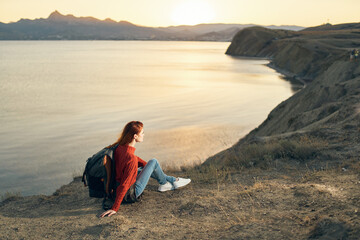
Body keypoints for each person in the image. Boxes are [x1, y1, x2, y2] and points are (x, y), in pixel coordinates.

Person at [99, 121, 191, 218]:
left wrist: (149, 168)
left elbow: (135, 160)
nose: (144, 135)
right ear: (135, 136)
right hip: (131, 193)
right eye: (142, 133)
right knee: (154, 161)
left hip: (116, 186)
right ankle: (164, 183)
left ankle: (172, 180)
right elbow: (125, 184)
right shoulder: (131, 158)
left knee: (151, 165)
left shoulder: (120, 147)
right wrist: (115, 208)